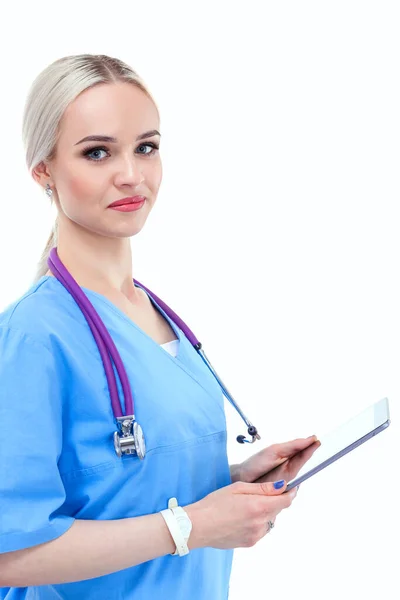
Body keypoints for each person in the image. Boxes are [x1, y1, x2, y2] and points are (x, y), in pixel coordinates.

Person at [0, 54, 319, 600]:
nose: (131, 174)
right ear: (43, 171)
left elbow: (125, 487)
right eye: (97, 152)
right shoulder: (35, 335)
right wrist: (191, 527)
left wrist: (234, 485)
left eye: (145, 147)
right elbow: (10, 552)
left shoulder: (156, 314)